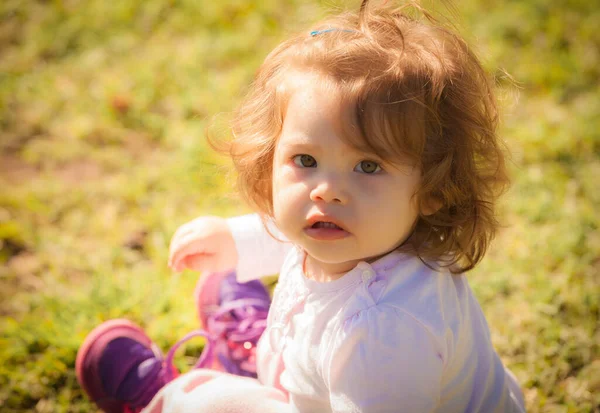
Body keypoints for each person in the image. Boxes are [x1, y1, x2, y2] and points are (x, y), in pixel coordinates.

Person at [76, 1, 527, 411]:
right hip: (321, 383)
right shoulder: (364, 232)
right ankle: (262, 356)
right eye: (306, 161)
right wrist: (238, 240)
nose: (326, 191)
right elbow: (296, 238)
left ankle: (164, 396)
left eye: (368, 166)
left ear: (431, 187)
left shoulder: (384, 336)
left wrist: (226, 402)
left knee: (205, 402)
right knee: (249, 282)